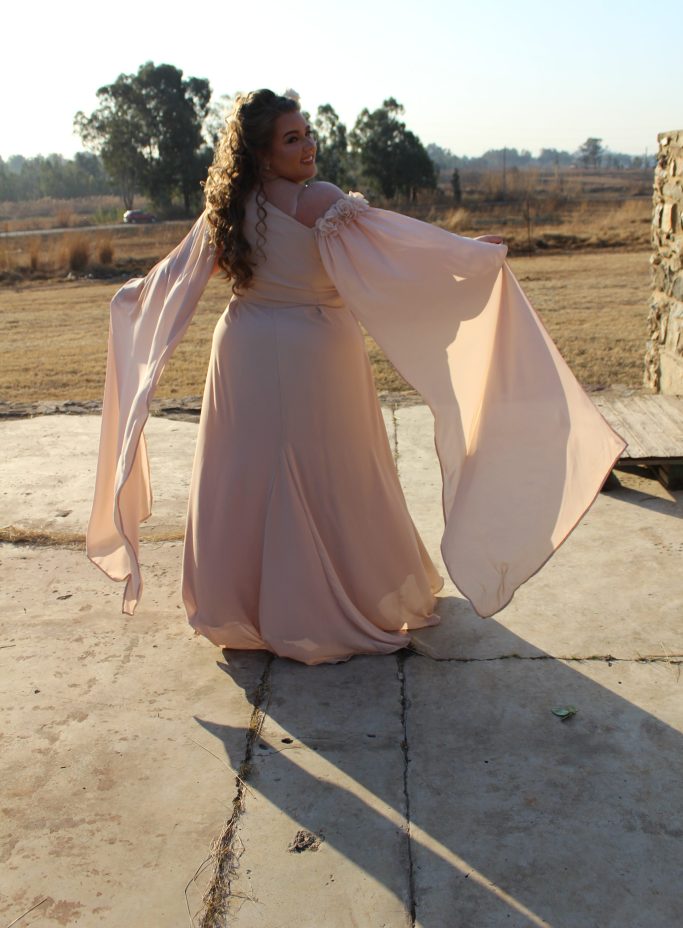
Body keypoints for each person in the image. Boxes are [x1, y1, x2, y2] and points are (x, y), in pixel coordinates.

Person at [86, 89, 626, 664]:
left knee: (244, 473)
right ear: (262, 153)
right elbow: (397, 252)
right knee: (337, 470)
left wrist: (130, 301)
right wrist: (466, 255)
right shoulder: (317, 201)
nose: (308, 146)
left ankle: (244, 606)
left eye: (307, 134)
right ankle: (342, 600)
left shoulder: (227, 209)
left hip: (244, 347)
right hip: (315, 350)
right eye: (292, 138)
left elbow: (174, 278)